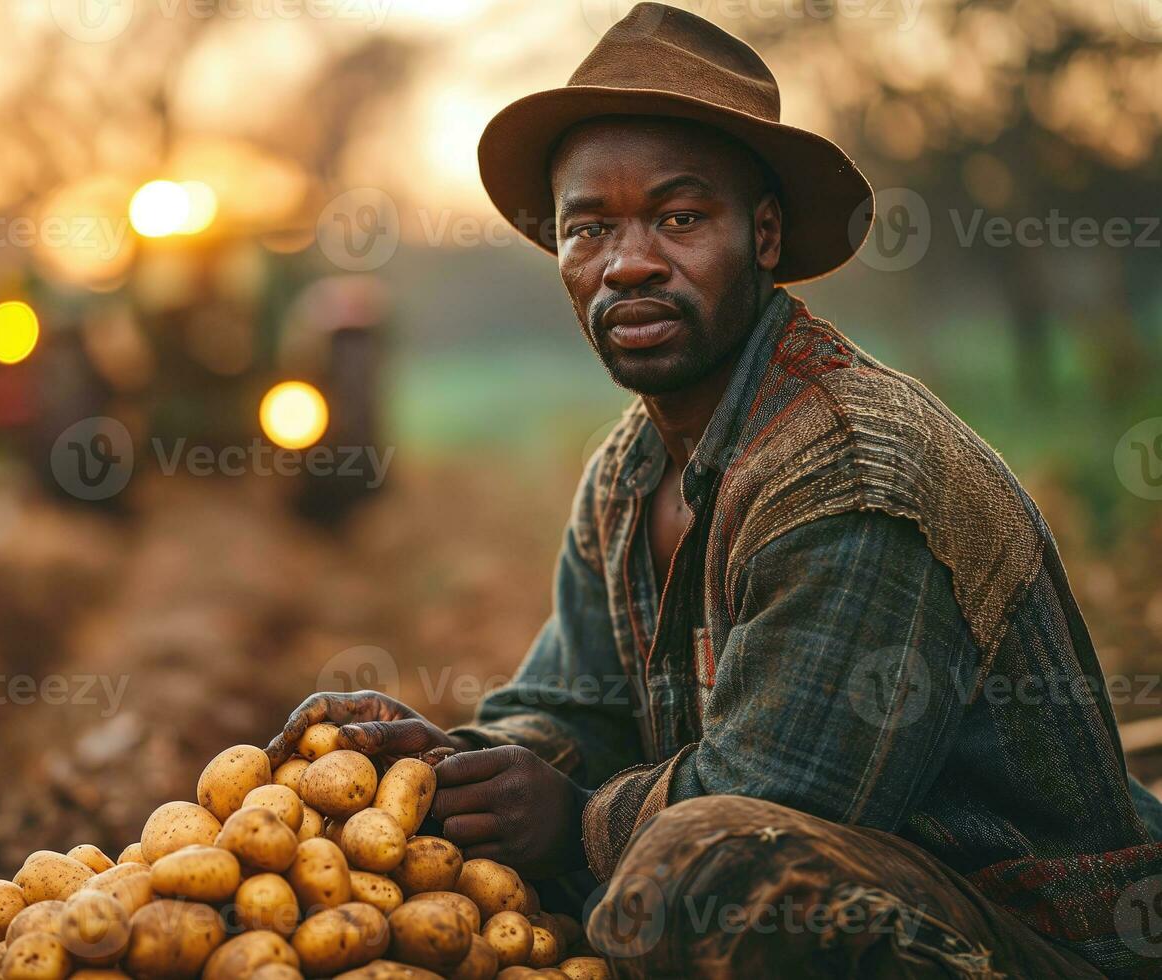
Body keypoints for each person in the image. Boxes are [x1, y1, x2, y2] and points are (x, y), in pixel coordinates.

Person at [269, 5, 1162, 975]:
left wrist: (569, 818)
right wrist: (447, 765)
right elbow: (573, 707)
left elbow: (784, 806)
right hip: (844, 886)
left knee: (701, 872)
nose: (629, 261)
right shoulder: (627, 472)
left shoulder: (856, 473)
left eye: (680, 217)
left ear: (764, 235)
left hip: (1036, 937)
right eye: (589, 227)